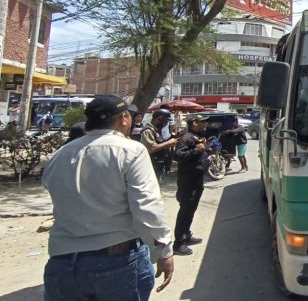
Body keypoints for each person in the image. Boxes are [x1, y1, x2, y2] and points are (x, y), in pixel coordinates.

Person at [42, 95, 174, 300]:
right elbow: (147, 206)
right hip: (117, 262)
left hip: (61, 264)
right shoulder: (131, 150)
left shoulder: (61, 154)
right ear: (123, 118)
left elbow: (53, 191)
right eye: (129, 115)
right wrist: (163, 250)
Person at [172, 114, 209, 256]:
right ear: (194, 123)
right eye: (203, 122)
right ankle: (178, 243)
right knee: (185, 211)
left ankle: (186, 235)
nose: (206, 125)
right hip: (187, 181)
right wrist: (196, 150)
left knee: (191, 210)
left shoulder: (197, 137)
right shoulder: (186, 137)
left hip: (196, 180)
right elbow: (177, 156)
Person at [140, 109, 178, 182]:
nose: (166, 123)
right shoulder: (148, 131)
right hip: (150, 164)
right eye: (165, 121)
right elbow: (151, 148)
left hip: (158, 163)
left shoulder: (156, 130)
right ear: (159, 119)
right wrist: (168, 143)